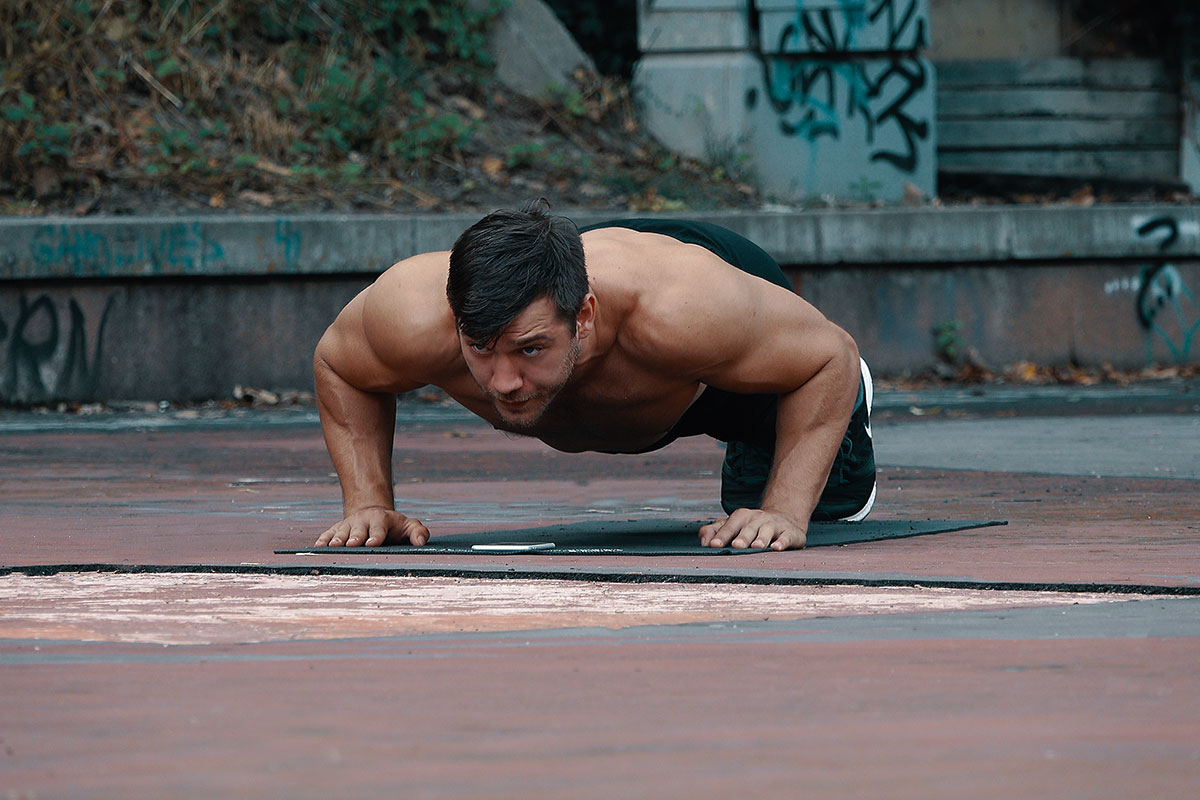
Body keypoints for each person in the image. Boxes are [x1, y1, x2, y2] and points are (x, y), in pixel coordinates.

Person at [312, 200, 875, 551]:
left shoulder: (685, 312)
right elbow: (340, 364)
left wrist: (783, 508)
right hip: (581, 281)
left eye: (529, 350)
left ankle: (777, 428)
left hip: (700, 357)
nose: (503, 381)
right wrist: (368, 501)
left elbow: (832, 354)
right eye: (479, 348)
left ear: (583, 316)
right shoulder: (414, 316)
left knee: (811, 498)